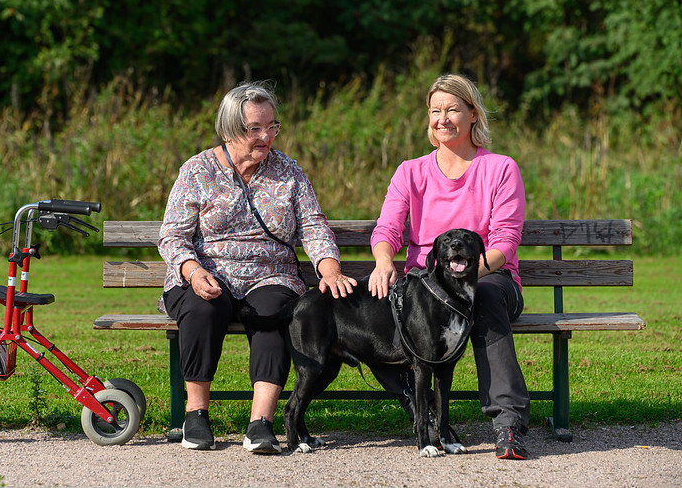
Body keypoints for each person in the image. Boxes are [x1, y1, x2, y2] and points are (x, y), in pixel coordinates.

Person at [158, 81, 357, 454]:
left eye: (272, 126)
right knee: (204, 307)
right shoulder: (197, 170)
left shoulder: (288, 171)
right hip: (205, 272)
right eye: (255, 129)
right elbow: (172, 236)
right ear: (230, 129)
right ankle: (196, 415)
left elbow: (313, 226)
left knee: (275, 311)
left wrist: (329, 270)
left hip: (269, 273)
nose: (266, 136)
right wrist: (191, 271)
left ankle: (261, 423)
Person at [367, 73, 530, 460]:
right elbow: (388, 227)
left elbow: (505, 242)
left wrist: (464, 277)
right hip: (425, 285)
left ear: (473, 114)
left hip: (489, 278)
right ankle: (422, 410)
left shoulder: (500, 168)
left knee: (484, 299)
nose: (443, 119)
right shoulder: (411, 171)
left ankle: (508, 424)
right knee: (368, 313)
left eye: (453, 109)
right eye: (435, 111)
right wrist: (383, 261)